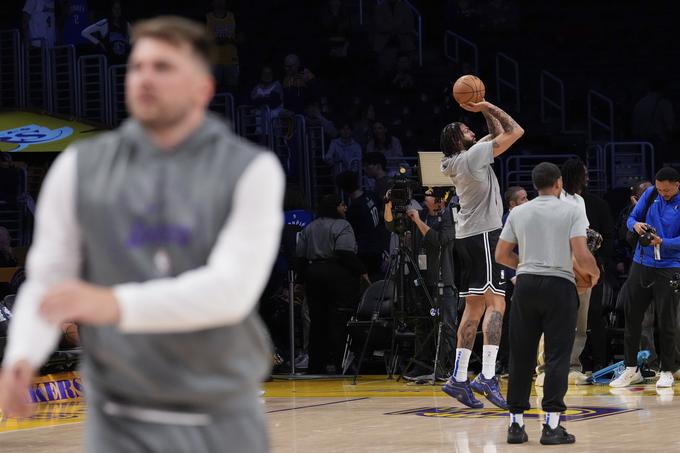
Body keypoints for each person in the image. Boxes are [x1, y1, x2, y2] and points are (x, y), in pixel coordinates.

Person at [0, 17, 284, 453]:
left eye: (164, 67)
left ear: (201, 88)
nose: (146, 78)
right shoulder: (78, 169)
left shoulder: (249, 171)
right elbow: (48, 277)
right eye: (138, 67)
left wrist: (110, 304)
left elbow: (230, 289)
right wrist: (23, 355)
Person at [495, 162, 599, 445]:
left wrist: (527, 267)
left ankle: (515, 425)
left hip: (526, 286)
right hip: (559, 286)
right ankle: (552, 427)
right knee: (557, 357)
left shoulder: (518, 211)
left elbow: (502, 254)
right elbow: (581, 252)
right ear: (559, 183)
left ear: (535, 185)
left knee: (521, 356)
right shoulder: (572, 210)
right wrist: (594, 273)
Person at [439, 99, 524, 409]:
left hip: (467, 237)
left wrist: (484, 113)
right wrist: (487, 104)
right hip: (486, 236)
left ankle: (458, 377)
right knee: (497, 303)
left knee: (473, 308)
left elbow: (495, 134)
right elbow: (514, 130)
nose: (470, 129)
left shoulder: (457, 160)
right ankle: (488, 375)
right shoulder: (474, 157)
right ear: (455, 140)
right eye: (465, 128)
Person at [611, 167, 680, 389]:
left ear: (677, 185)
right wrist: (636, 225)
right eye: (660, 189)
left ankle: (667, 370)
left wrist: (663, 243)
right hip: (642, 264)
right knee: (632, 317)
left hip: (670, 266)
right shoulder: (650, 194)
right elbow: (631, 218)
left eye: (667, 190)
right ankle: (631, 368)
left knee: (667, 320)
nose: (663, 193)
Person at [535, 158, 593, 386]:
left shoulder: (579, 200)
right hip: (556, 265)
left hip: (579, 264)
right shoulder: (551, 200)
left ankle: (572, 367)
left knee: (579, 321)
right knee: (552, 320)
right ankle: (545, 369)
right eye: (584, 174)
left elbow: (584, 232)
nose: (587, 178)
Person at [296, 194, 370, 374]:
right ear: (335, 207)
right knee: (339, 320)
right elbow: (344, 252)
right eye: (342, 205)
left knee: (317, 322)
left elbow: (300, 257)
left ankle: (316, 365)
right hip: (338, 275)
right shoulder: (342, 225)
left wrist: (302, 279)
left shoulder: (310, 227)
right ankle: (341, 363)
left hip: (314, 274)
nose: (345, 208)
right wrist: (362, 271)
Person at [402, 189, 458, 380]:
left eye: (427, 194)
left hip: (444, 280)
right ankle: (422, 366)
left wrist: (418, 222)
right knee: (422, 325)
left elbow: (440, 240)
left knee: (447, 325)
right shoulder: (424, 216)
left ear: (438, 200)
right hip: (422, 279)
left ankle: (447, 366)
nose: (423, 197)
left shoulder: (448, 218)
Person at [496, 186, 528, 375]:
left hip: (520, 275)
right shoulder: (508, 219)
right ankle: (505, 363)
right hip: (511, 279)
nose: (527, 201)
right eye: (523, 199)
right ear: (512, 204)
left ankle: (510, 362)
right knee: (509, 322)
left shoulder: (523, 217)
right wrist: (513, 275)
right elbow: (504, 251)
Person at [206, 0, 239, 91]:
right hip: (214, 61)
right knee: (214, 90)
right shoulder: (207, 18)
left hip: (231, 60)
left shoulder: (232, 17)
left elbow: (241, 37)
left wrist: (231, 40)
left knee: (232, 89)